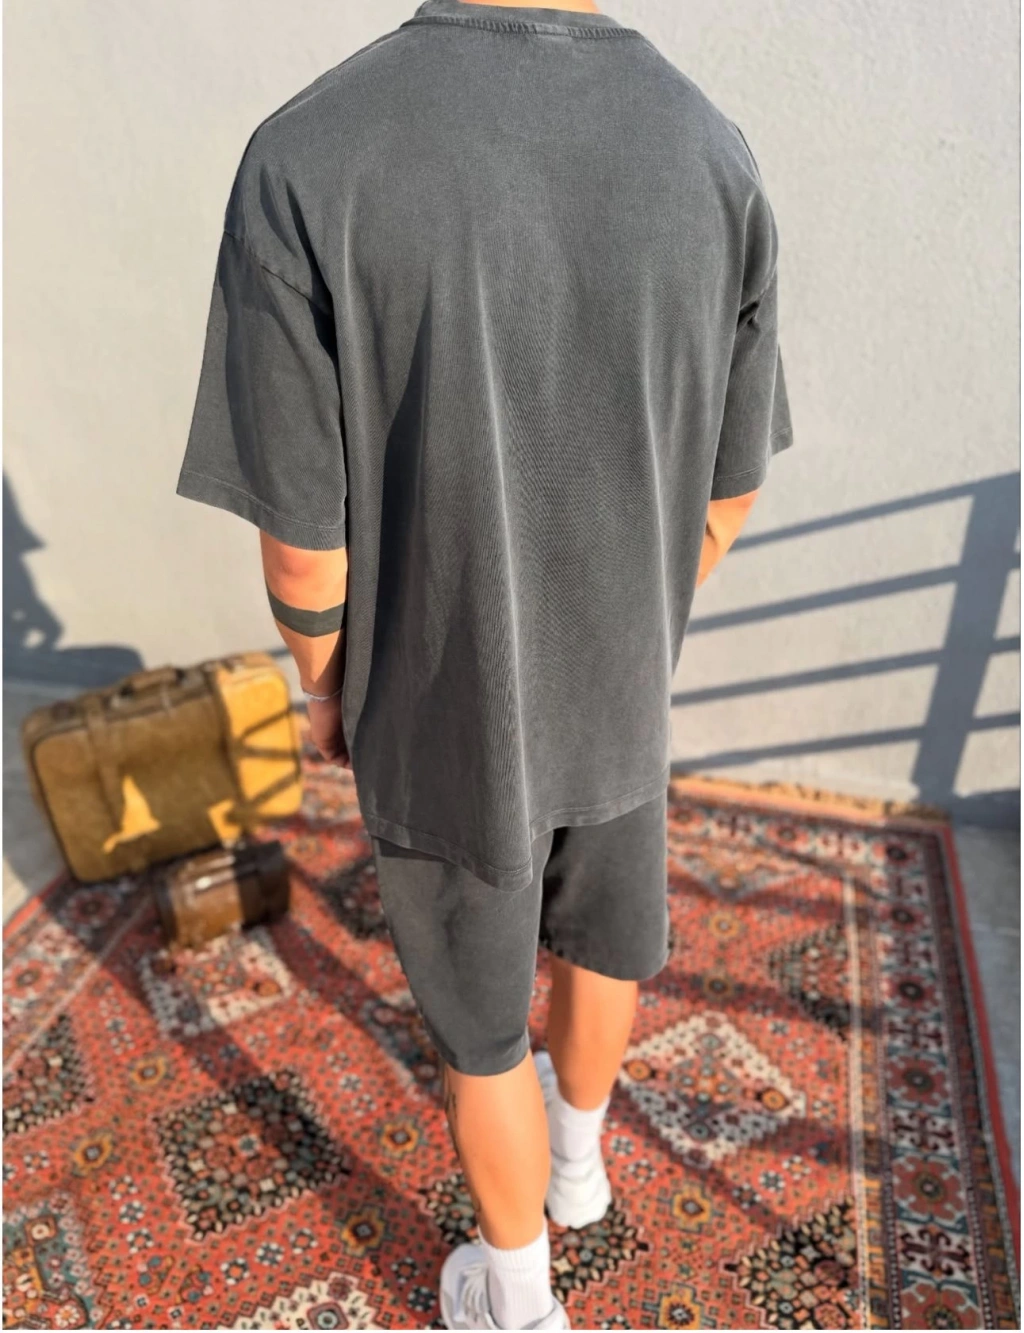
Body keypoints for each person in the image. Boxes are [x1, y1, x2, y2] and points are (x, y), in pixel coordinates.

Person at [175, 0, 793, 1326]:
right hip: (621, 685)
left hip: (446, 703)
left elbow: (305, 553)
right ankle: (578, 1174)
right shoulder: (711, 150)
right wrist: (633, 619)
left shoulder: (309, 154)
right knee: (607, 936)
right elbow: (731, 487)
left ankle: (516, 1292)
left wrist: (325, 690)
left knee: (480, 1025)